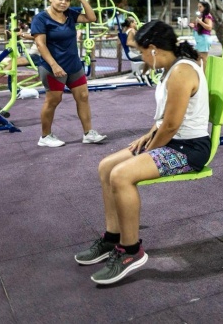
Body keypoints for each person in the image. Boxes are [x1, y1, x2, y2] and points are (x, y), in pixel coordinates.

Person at [74, 20, 210, 285]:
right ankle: (112, 238)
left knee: (121, 175)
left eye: (141, 52)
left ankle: (130, 250)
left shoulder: (182, 72)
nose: (141, 58)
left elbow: (171, 125)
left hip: (189, 149)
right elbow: (165, 119)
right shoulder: (171, 68)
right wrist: (149, 135)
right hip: (172, 141)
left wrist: (151, 148)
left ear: (154, 49)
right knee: (106, 166)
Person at [31, 0, 106, 147]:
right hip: (52, 67)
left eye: (67, 0)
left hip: (73, 65)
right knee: (53, 100)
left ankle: (88, 133)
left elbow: (91, 18)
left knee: (83, 97)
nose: (63, 2)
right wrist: (54, 65)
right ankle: (45, 136)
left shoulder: (70, 14)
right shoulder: (41, 18)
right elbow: (40, 44)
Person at [123, 17, 151, 83]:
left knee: (150, 56)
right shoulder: (131, 31)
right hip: (134, 54)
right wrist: (140, 45)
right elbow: (129, 43)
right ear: (131, 23)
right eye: (134, 21)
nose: (136, 23)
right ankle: (144, 74)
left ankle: (141, 74)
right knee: (151, 57)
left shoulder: (127, 31)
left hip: (133, 53)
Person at [188, 0, 214, 68]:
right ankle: (199, 73)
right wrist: (194, 26)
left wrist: (200, 22)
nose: (198, 8)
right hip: (200, 40)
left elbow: (209, 27)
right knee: (198, 58)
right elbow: (201, 27)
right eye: (198, 7)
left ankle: (204, 73)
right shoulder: (202, 15)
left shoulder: (207, 16)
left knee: (203, 59)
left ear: (205, 7)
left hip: (203, 40)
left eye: (200, 7)